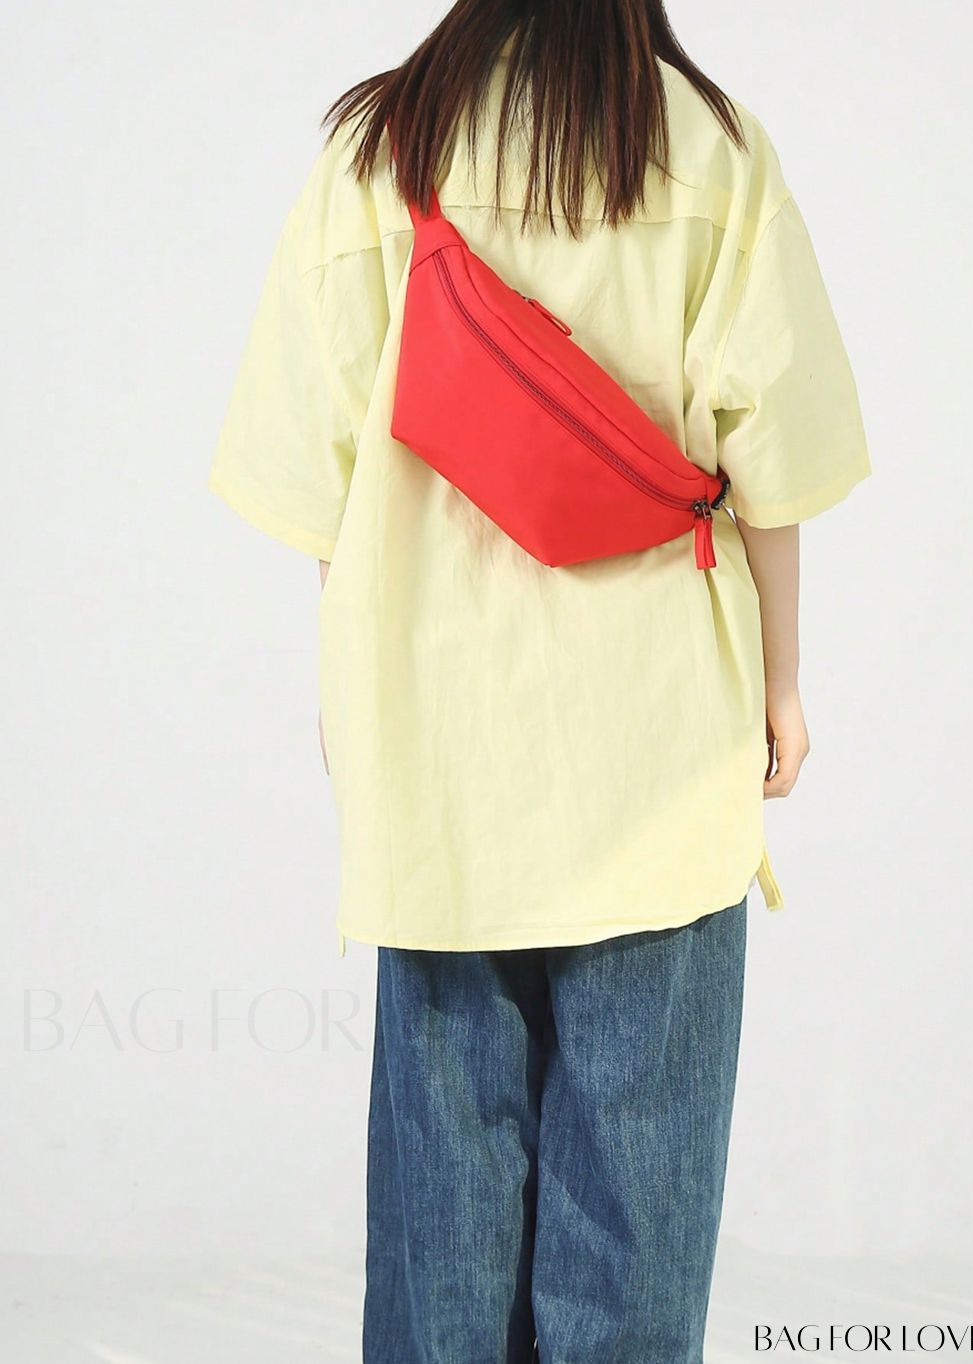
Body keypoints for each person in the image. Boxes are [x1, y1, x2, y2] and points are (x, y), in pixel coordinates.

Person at [208, 1, 871, 1358]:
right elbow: (777, 458)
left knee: (445, 1183)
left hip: (439, 753)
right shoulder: (708, 147)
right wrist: (781, 681)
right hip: (660, 746)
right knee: (639, 1181)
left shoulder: (380, 150)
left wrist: (353, 686)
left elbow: (322, 477)